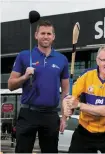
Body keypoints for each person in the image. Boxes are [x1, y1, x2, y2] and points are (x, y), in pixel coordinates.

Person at [8, 20, 69, 153]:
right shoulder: (24, 56)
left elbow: (65, 91)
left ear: (53, 36)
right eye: (42, 33)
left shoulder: (62, 59)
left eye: (49, 33)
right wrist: (24, 77)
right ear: (36, 35)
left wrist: (64, 117)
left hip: (51, 114)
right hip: (28, 113)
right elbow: (10, 85)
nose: (45, 36)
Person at [62, 45, 105, 153]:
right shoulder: (86, 75)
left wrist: (78, 105)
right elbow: (68, 99)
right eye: (104, 60)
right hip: (85, 132)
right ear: (97, 60)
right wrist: (67, 107)